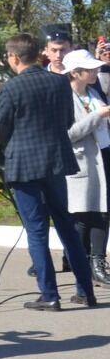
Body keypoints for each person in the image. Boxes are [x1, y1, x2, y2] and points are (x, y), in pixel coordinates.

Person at [0, 33, 97, 310]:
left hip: (24, 166)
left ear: (14, 57)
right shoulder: (59, 82)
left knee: (36, 231)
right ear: (39, 54)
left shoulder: (11, 88)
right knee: (66, 226)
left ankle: (49, 294)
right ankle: (85, 291)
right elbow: (68, 119)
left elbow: (1, 130)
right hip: (56, 162)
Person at [62, 49, 110, 287]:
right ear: (75, 72)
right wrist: (97, 116)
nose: (95, 71)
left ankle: (99, 264)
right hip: (81, 162)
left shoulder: (94, 92)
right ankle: (80, 265)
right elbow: (68, 134)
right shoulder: (65, 98)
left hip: (104, 156)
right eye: (89, 69)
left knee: (103, 212)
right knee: (82, 216)